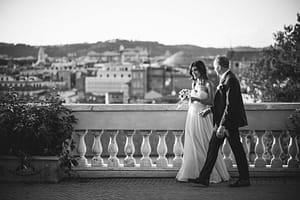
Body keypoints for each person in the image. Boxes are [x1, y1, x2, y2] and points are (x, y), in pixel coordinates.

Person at [188, 55, 250, 187]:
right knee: (213, 148)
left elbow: (230, 106)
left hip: (227, 123)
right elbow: (221, 104)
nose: (215, 70)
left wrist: (223, 125)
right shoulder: (226, 79)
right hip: (222, 122)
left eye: (215, 67)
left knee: (236, 149)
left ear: (219, 67)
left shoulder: (230, 80)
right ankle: (204, 178)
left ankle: (244, 179)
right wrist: (209, 110)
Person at [176, 60, 230, 183]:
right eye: (192, 70)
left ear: (201, 70)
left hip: (203, 116)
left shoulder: (208, 84)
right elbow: (191, 102)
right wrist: (186, 98)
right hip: (192, 116)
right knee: (193, 143)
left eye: (196, 70)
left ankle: (207, 173)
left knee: (204, 143)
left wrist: (195, 98)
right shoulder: (194, 84)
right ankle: (194, 172)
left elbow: (211, 102)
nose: (194, 72)